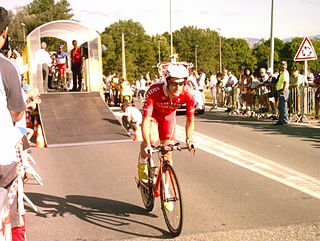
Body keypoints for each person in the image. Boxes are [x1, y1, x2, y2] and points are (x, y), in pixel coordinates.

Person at [138, 62, 195, 211]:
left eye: (182, 83)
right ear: (167, 81)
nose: (178, 88)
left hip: (168, 118)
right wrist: (148, 146)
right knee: (152, 139)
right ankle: (142, 162)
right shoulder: (154, 91)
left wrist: (189, 139)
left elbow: (190, 120)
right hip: (153, 116)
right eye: (174, 84)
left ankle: (167, 190)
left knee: (167, 155)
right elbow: (144, 121)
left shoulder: (188, 95)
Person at [0, 6, 27, 240]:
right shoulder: (7, 67)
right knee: (10, 216)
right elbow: (17, 113)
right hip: (2, 159)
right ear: (4, 32)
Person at [275, 61, 290, 125]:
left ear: (286, 66)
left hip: (283, 90)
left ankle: (283, 120)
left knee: (282, 105)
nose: (283, 66)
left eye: (284, 65)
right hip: (280, 89)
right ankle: (282, 119)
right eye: (282, 65)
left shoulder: (285, 73)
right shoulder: (282, 73)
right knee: (281, 105)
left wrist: (283, 90)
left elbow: (285, 82)